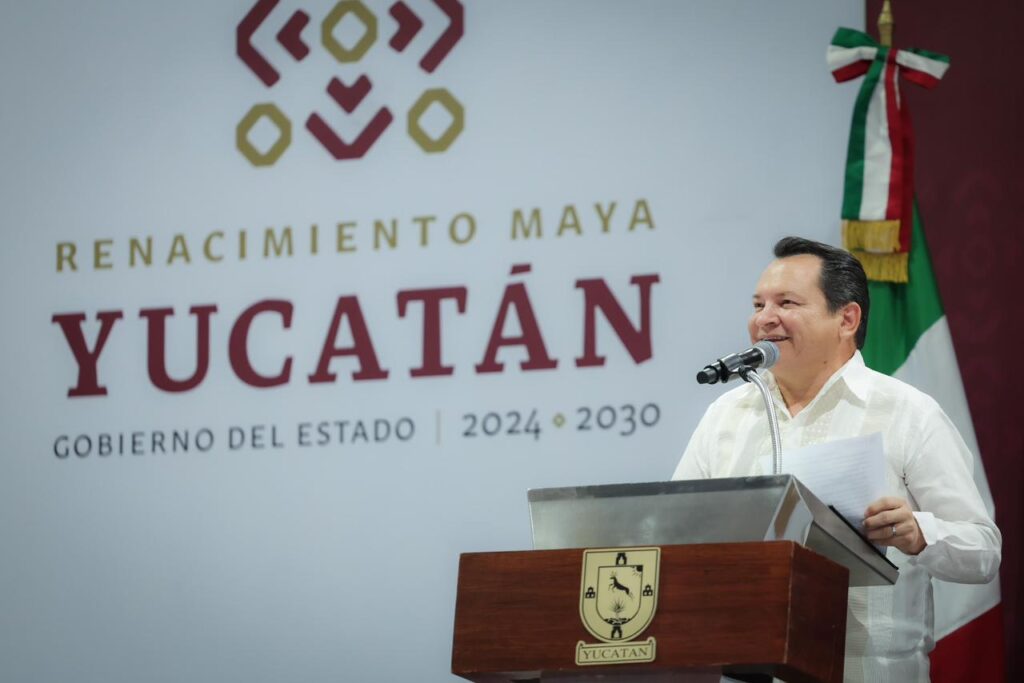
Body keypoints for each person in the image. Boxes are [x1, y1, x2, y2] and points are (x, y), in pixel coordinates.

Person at [672, 237, 1001, 683]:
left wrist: (919, 533)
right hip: (744, 668)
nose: (764, 318)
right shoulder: (725, 416)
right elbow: (677, 536)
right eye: (758, 304)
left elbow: (983, 551)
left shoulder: (906, 412)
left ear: (847, 319)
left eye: (786, 302)